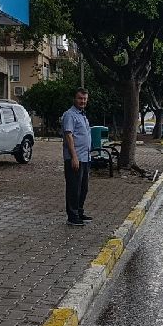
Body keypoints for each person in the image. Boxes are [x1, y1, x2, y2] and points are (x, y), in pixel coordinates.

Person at [62, 88, 92, 226]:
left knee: (83, 188)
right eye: (80, 98)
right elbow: (69, 136)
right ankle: (72, 216)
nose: (83, 101)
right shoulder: (70, 115)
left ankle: (79, 212)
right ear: (75, 99)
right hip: (75, 158)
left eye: (85, 99)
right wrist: (74, 157)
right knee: (74, 188)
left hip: (85, 158)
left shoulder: (82, 115)